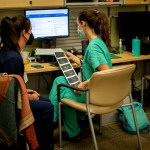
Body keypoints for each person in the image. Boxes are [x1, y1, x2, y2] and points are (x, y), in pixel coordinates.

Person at [49, 9, 112, 142]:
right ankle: (72, 130)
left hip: (94, 95)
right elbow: (90, 65)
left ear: (83, 23)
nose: (77, 27)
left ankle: (50, 124)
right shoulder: (97, 42)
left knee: (60, 90)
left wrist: (83, 83)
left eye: (78, 24)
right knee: (60, 80)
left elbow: (106, 74)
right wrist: (74, 58)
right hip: (101, 91)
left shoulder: (93, 47)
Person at [0, 16, 54, 150]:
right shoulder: (13, 58)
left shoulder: (8, 52)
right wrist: (27, 96)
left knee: (45, 101)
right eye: (30, 30)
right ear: (24, 33)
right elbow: (11, 94)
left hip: (12, 98)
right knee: (48, 108)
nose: (31, 34)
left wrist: (27, 92)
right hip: (10, 106)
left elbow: (15, 86)